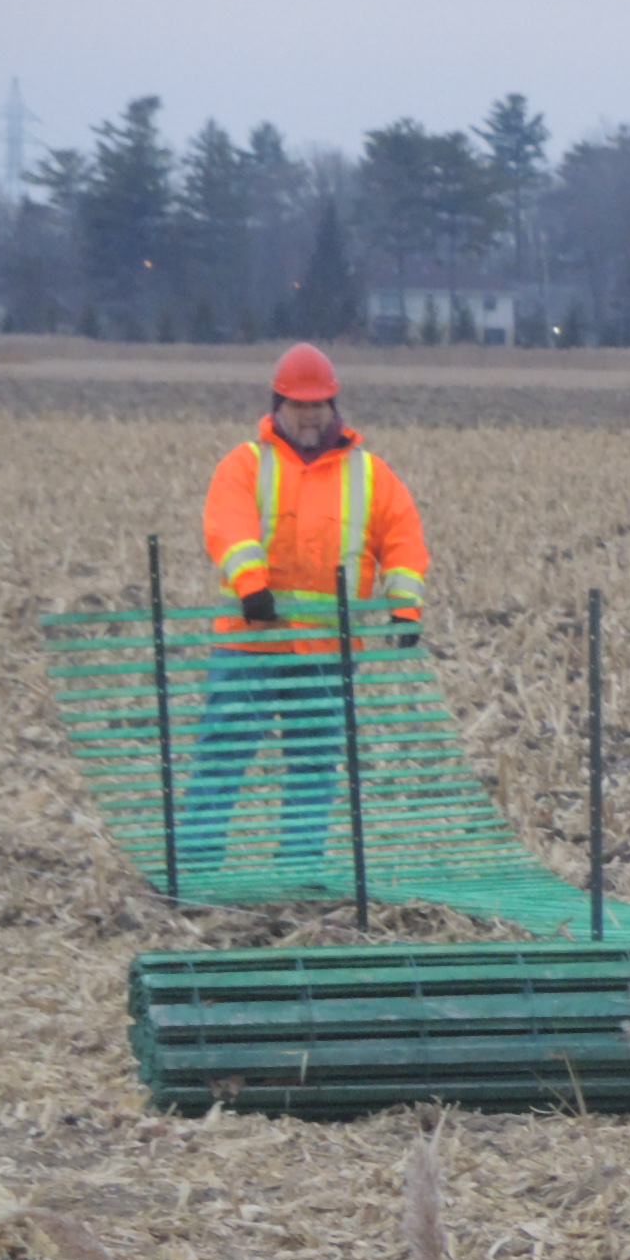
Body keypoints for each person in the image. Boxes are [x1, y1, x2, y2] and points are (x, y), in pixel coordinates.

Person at [179, 344, 429, 881]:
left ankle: (298, 872)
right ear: (278, 406)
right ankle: (196, 871)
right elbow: (228, 524)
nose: (310, 415)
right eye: (299, 405)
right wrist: (251, 585)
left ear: (335, 405)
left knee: (314, 765)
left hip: (327, 651)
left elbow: (403, 539)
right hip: (252, 640)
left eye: (320, 404)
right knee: (223, 753)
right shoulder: (245, 463)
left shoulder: (370, 473)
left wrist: (404, 609)